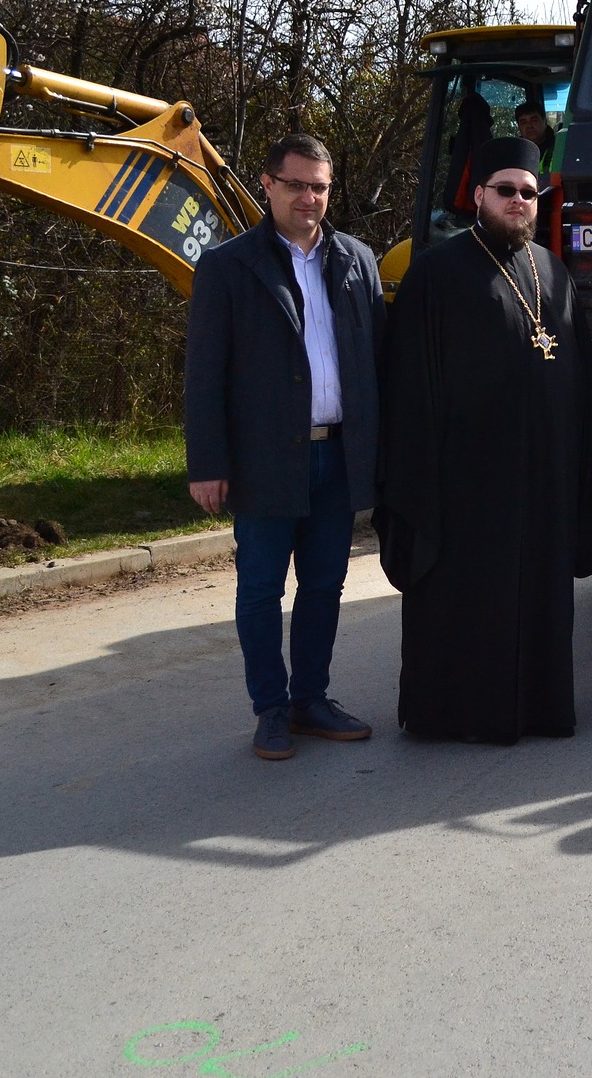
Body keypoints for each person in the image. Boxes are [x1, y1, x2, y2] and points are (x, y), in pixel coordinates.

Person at [375, 137, 592, 744]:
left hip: (544, 481)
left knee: (539, 598)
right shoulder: (435, 272)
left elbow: (577, 375)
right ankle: (459, 714)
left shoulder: (553, 271)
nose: (519, 202)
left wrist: (586, 463)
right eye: (506, 190)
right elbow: (408, 386)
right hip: (466, 485)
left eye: (529, 193)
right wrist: (421, 476)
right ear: (478, 195)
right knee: (470, 602)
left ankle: (540, 708)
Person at [184, 133, 386, 760]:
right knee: (260, 590)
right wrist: (208, 463)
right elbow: (204, 373)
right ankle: (270, 709)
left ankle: (311, 701)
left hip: (338, 456)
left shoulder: (357, 260)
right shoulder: (229, 266)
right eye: (296, 184)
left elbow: (380, 361)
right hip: (265, 458)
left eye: (319, 186)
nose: (309, 198)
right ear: (267, 185)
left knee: (325, 585)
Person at [515, 100, 556, 170]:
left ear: (545, 122)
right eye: (523, 122)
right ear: (519, 127)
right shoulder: (514, 154)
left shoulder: (559, 148)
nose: (529, 126)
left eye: (534, 120)